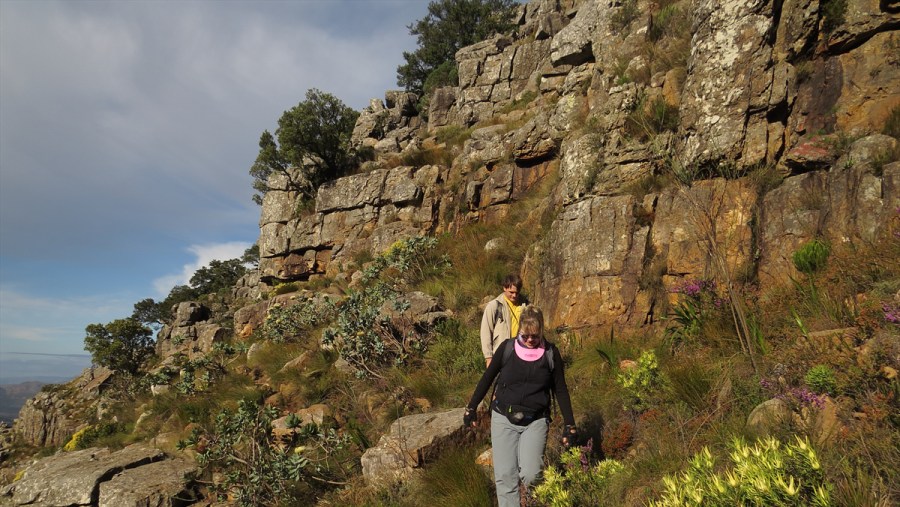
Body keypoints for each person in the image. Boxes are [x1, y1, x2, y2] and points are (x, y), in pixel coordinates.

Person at [464, 306, 577, 507]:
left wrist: (570, 424)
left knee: (532, 474)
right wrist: (471, 407)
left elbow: (561, 390)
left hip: (535, 421)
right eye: (525, 336)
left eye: (535, 335)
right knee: (505, 476)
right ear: (519, 331)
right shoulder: (507, 348)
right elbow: (487, 378)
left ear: (541, 330)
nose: (530, 340)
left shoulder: (551, 353)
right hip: (503, 418)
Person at [481, 274, 525, 367]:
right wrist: (488, 357)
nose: (514, 295)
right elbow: (486, 332)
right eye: (511, 292)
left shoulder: (527, 306)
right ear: (504, 288)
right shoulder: (494, 306)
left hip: (522, 355)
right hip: (501, 356)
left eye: (517, 292)